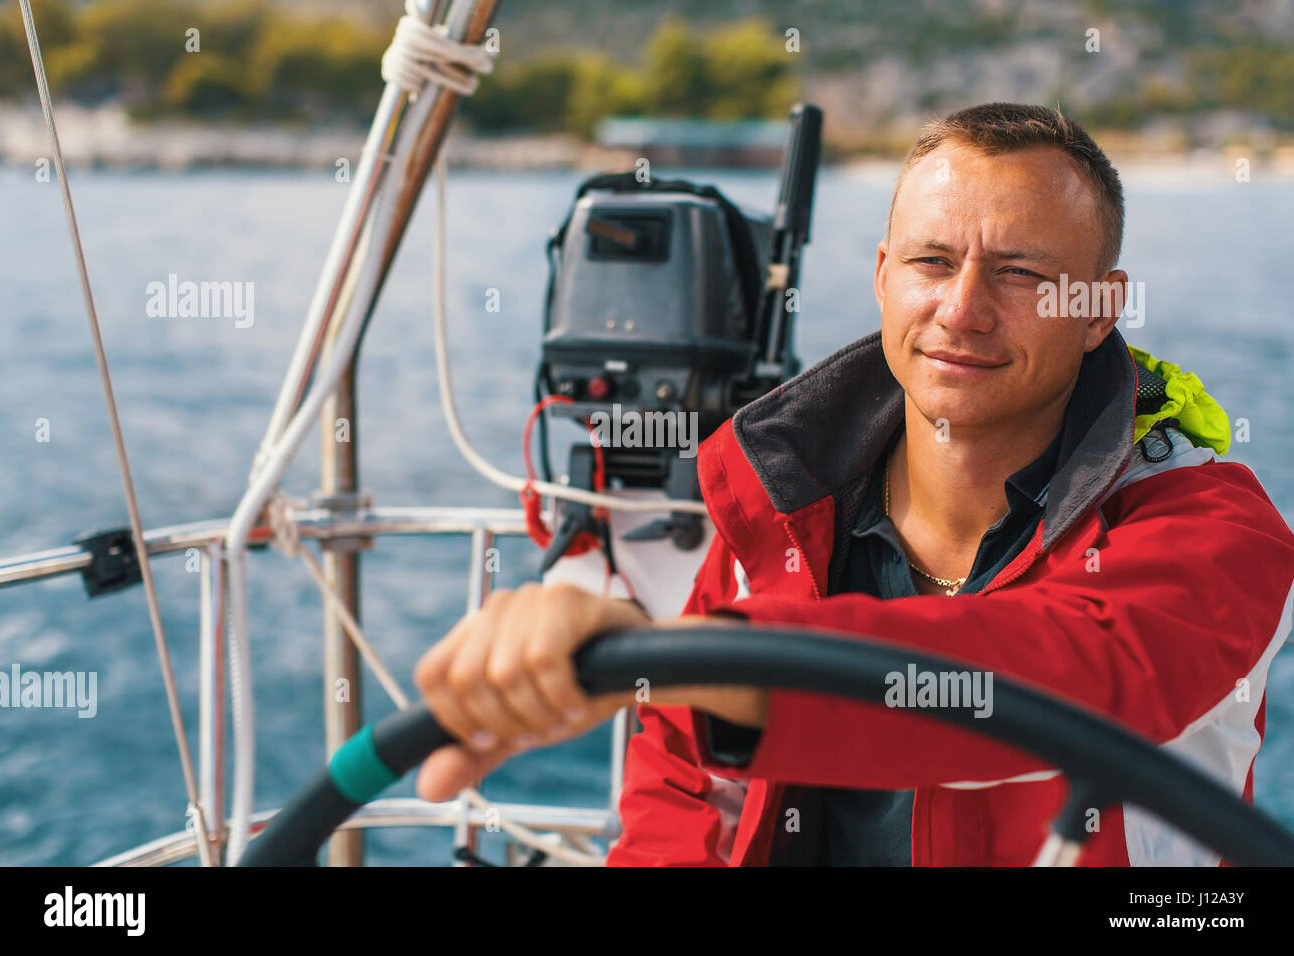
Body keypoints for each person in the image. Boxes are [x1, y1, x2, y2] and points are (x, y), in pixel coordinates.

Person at [411, 103, 1294, 865]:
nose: (962, 308)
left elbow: (1072, 672)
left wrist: (707, 658)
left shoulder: (1213, 525)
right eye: (932, 263)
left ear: (1100, 310)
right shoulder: (773, 518)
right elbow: (682, 805)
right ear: (882, 278)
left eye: (1021, 273)